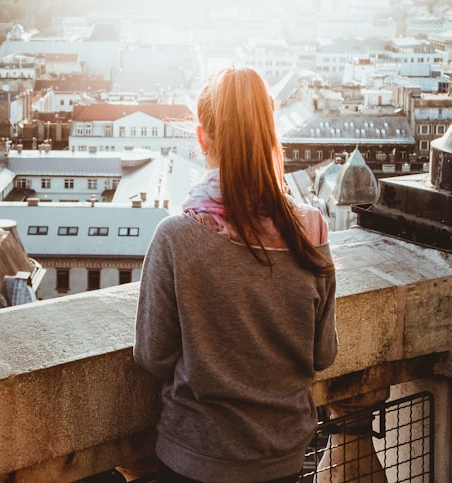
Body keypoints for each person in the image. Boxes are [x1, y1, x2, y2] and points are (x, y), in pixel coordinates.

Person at [134, 67, 337, 483]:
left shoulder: (177, 237)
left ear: (202, 137)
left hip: (196, 455)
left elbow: (153, 355)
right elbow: (323, 354)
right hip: (282, 457)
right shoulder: (311, 230)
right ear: (270, 134)